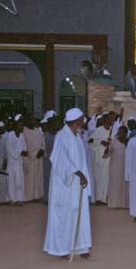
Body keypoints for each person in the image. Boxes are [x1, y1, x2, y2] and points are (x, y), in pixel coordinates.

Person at [43, 108, 92, 258]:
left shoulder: (77, 137)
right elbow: (60, 159)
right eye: (83, 120)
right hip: (64, 185)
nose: (84, 122)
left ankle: (81, 247)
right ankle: (62, 249)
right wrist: (78, 173)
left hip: (77, 185)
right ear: (77, 122)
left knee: (80, 213)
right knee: (64, 214)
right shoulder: (62, 136)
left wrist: (82, 176)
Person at [4, 115, 28, 205]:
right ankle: (12, 199)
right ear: (15, 126)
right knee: (11, 181)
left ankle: (20, 199)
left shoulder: (21, 135)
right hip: (12, 162)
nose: (21, 127)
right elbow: (11, 152)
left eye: (22, 125)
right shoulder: (10, 135)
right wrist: (20, 152)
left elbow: (25, 149)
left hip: (19, 162)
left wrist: (23, 152)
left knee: (20, 181)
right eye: (19, 125)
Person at [88, 115, 111, 204]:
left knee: (106, 178)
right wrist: (100, 142)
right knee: (99, 178)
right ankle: (98, 198)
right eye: (108, 120)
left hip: (108, 158)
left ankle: (104, 198)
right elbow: (90, 141)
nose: (109, 123)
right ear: (104, 121)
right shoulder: (98, 130)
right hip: (99, 158)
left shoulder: (111, 131)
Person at [106, 126, 129, 209]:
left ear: (126, 133)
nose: (120, 133)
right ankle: (114, 204)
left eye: (122, 132)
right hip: (115, 167)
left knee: (124, 185)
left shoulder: (128, 142)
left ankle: (123, 204)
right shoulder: (114, 142)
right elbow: (107, 154)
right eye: (119, 132)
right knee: (115, 185)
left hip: (125, 167)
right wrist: (107, 148)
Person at [22, 116, 45, 202]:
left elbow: (43, 142)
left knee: (38, 178)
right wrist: (34, 154)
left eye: (34, 119)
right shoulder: (24, 131)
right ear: (27, 120)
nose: (33, 120)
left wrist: (42, 150)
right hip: (29, 159)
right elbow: (24, 146)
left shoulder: (38, 130)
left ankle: (37, 196)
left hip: (39, 158)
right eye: (31, 119)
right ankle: (29, 197)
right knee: (30, 179)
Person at [43, 117, 59, 203]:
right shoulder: (45, 135)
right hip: (47, 161)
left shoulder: (59, 135)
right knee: (47, 180)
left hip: (57, 162)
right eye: (54, 123)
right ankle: (47, 198)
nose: (56, 125)